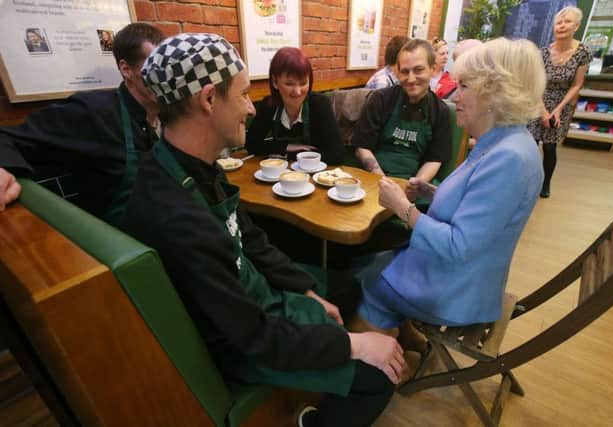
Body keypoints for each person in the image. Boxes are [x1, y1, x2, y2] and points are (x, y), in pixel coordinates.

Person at [121, 33, 403, 427]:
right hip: (237, 343)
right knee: (378, 378)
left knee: (338, 289)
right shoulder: (175, 214)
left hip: (252, 306)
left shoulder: (192, 164)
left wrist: (302, 289)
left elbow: (247, 234)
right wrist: (355, 343)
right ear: (207, 99)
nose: (252, 110)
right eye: (241, 95)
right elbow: (252, 337)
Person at [352, 37, 544, 337]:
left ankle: (380, 370)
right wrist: (432, 192)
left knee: (366, 280)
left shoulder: (509, 159)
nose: (455, 96)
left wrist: (403, 208)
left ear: (495, 94)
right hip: (456, 274)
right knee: (372, 260)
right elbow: (478, 209)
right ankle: (407, 340)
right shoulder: (507, 142)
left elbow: (458, 246)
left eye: (464, 86)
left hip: (454, 290)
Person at [0, 23, 165, 223]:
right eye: (156, 67)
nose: (167, 77)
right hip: (118, 238)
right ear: (126, 69)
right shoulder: (94, 112)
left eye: (170, 66)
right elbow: (7, 138)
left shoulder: (174, 112)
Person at [352, 38, 451, 191]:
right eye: (405, 71)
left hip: (412, 183)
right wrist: (382, 181)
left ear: (433, 69)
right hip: (373, 179)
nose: (411, 79)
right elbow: (362, 148)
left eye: (418, 70)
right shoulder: (380, 99)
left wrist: (413, 186)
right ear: (397, 72)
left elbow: (434, 159)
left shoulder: (440, 111)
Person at [528, 6, 592, 198]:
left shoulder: (583, 52)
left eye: (567, 22)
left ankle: (545, 183)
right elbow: (535, 83)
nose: (562, 26)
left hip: (562, 102)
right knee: (531, 143)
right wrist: (543, 111)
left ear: (577, 25)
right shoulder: (542, 53)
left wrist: (557, 110)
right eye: (559, 22)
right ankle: (527, 180)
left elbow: (577, 84)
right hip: (539, 99)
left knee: (549, 146)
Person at [245, 47, 343, 165]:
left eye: (303, 83)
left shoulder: (320, 105)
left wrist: (288, 154)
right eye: (289, 84)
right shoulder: (269, 105)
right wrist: (286, 146)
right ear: (275, 82)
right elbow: (251, 144)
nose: (297, 91)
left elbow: (337, 154)